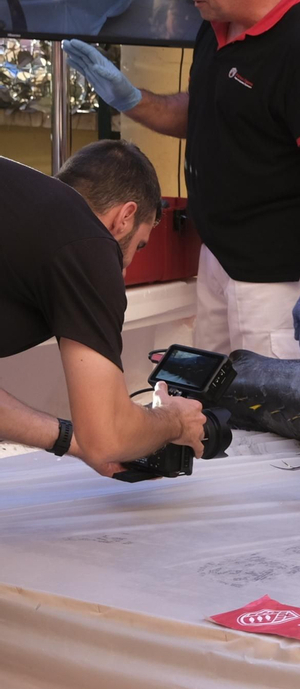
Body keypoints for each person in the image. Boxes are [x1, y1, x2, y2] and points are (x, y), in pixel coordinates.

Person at [65, 0, 300, 359]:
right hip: (220, 255)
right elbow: (207, 111)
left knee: (268, 417)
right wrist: (132, 99)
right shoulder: (216, 25)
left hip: (277, 274)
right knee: (214, 402)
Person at [0, 143, 206, 475]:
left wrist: (73, 441)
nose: (123, 268)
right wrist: (176, 421)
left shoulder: (25, 213)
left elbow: (97, 441)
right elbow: (108, 438)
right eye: (139, 245)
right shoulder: (89, 243)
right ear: (124, 217)